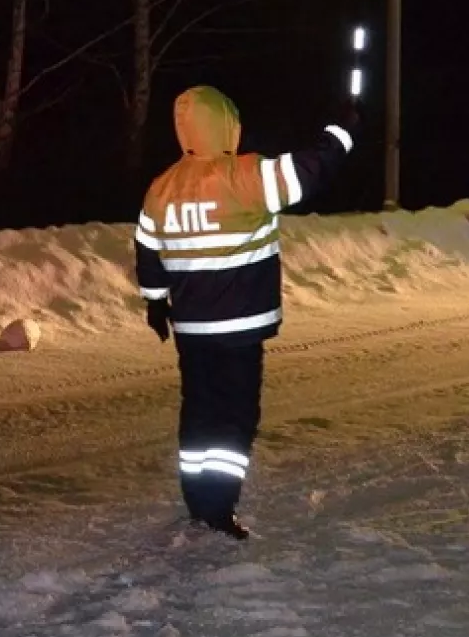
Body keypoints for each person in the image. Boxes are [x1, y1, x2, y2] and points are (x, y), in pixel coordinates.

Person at [133, 86, 354, 539]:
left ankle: (198, 501)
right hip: (238, 329)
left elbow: (147, 249)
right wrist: (343, 128)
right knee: (235, 417)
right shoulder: (246, 175)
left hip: (191, 329)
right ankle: (220, 508)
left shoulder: (162, 187)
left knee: (198, 412)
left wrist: (156, 301)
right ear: (228, 124)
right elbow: (314, 167)